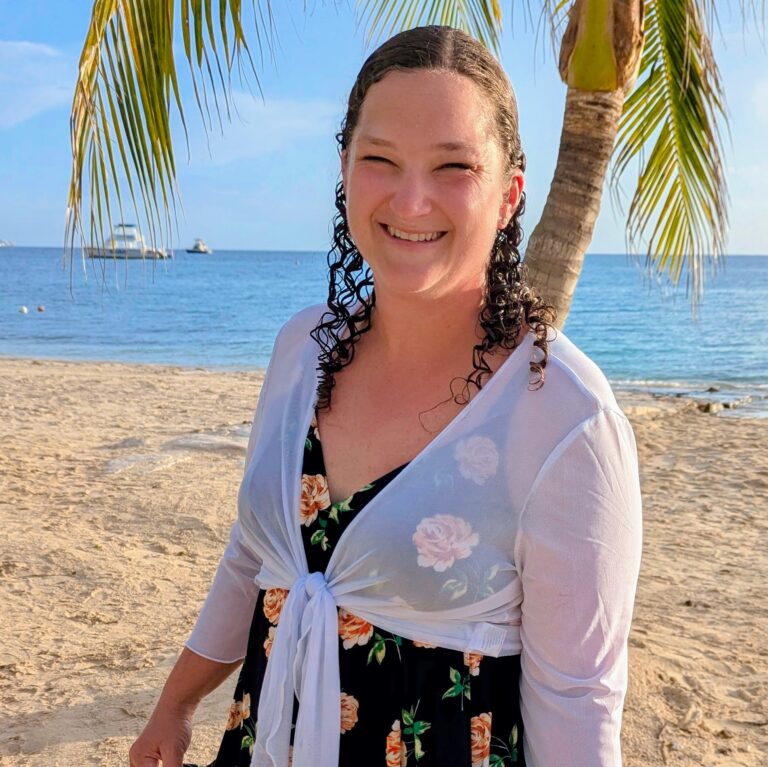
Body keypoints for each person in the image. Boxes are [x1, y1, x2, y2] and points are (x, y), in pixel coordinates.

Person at [129, 25, 642, 767]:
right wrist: (174, 706)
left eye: (454, 165)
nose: (411, 198)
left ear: (509, 194)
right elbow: (256, 556)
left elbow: (578, 703)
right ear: (345, 169)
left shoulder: (564, 416)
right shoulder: (301, 352)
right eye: (380, 159)